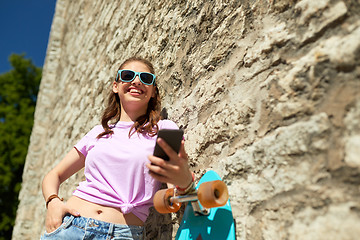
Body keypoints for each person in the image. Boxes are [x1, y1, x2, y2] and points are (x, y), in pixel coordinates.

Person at [41, 57, 193, 240]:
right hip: (70, 227)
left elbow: (173, 190)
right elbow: (53, 175)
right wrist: (53, 202)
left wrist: (185, 184)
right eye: (128, 75)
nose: (136, 81)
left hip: (122, 234)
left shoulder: (164, 129)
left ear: (153, 91)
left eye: (145, 78)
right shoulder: (98, 133)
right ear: (116, 86)